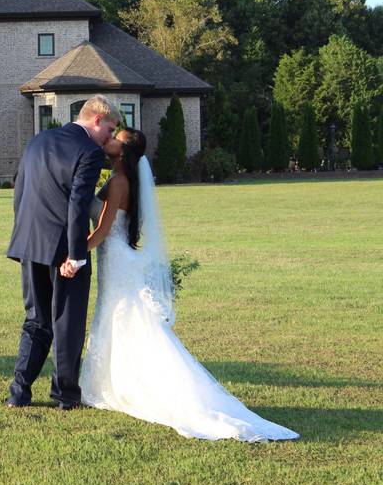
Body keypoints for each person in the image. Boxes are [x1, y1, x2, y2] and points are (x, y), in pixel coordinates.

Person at [80, 128, 299, 441]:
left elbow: (102, 231)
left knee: (125, 319)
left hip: (115, 259)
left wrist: (73, 255)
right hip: (117, 260)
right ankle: (121, 380)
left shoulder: (118, 182)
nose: (110, 138)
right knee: (121, 319)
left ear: (124, 151)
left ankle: (141, 386)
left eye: (115, 137)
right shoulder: (120, 179)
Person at [5, 95, 120, 409]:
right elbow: (78, 204)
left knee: (35, 320)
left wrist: (23, 238)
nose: (110, 139)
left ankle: (19, 392)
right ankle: (65, 395)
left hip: (29, 243)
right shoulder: (89, 151)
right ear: (97, 119)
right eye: (110, 130)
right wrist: (75, 255)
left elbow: (20, 189)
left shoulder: (37, 140)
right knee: (67, 323)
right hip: (63, 251)